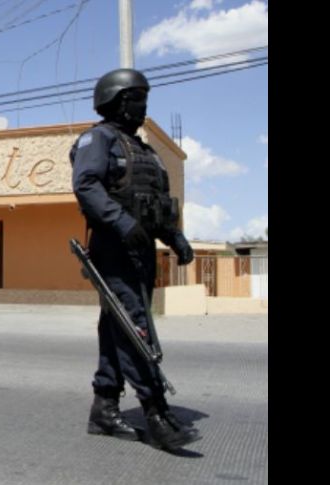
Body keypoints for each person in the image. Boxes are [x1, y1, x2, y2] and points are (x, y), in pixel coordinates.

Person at [70, 68, 200, 451]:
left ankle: (104, 408)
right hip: (113, 247)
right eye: (136, 98)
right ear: (117, 101)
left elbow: (156, 206)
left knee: (118, 327)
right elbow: (86, 185)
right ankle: (156, 411)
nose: (143, 105)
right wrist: (121, 223)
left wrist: (175, 238)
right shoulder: (98, 139)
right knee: (134, 327)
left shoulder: (144, 151)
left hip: (141, 249)